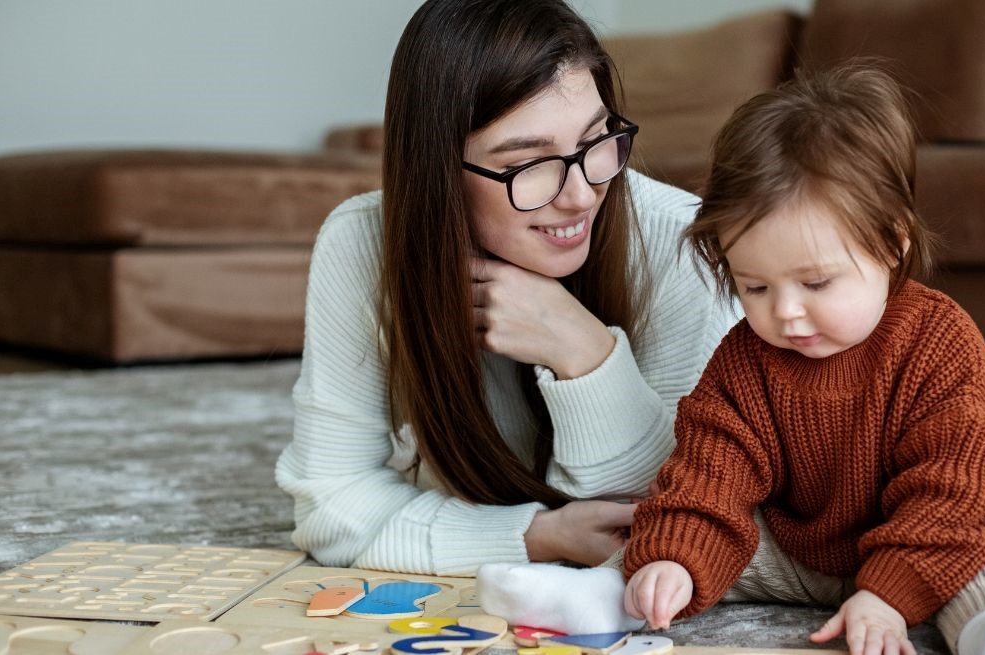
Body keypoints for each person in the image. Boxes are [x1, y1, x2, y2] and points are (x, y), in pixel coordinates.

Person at [479, 63, 985, 655]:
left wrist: (888, 594)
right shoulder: (747, 360)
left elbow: (958, 482)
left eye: (815, 284)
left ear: (891, 244)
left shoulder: (937, 340)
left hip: (921, 534)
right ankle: (604, 597)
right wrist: (672, 561)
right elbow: (712, 472)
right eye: (755, 287)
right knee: (680, 536)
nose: (785, 314)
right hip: (801, 549)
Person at [275, 0, 736, 577]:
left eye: (597, 140)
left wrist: (583, 352)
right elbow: (331, 505)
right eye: (530, 164)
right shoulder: (362, 242)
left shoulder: (680, 241)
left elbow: (667, 516)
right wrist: (539, 536)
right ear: (439, 168)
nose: (581, 195)